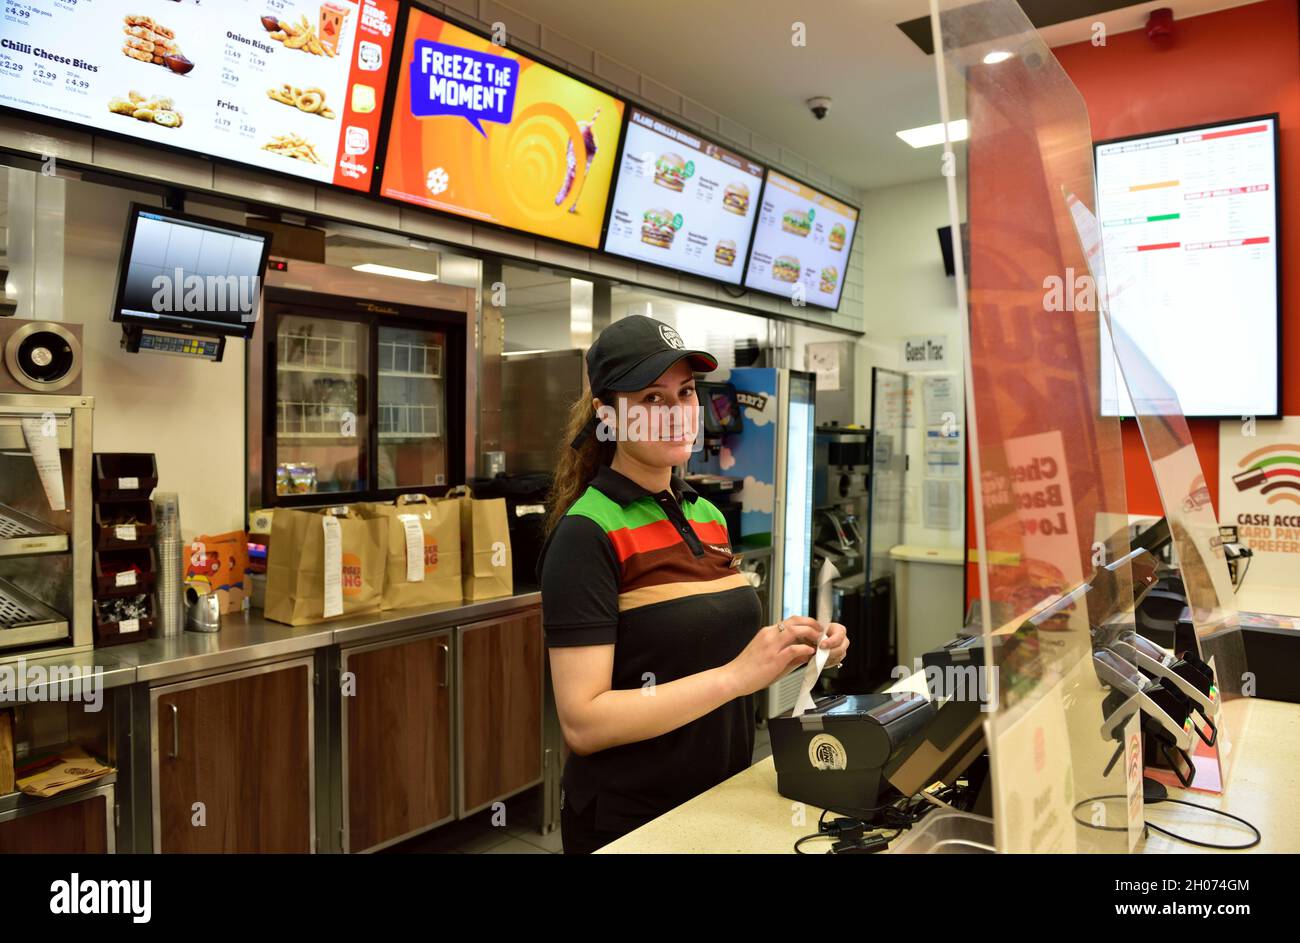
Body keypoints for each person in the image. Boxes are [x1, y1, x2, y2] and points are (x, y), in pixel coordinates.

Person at [537, 315, 848, 854]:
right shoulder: (587, 533)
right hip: (633, 821)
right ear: (607, 415)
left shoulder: (705, 515)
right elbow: (584, 723)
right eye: (653, 400)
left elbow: (702, 646)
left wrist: (792, 648)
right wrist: (737, 677)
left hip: (718, 797)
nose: (678, 414)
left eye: (685, 393)